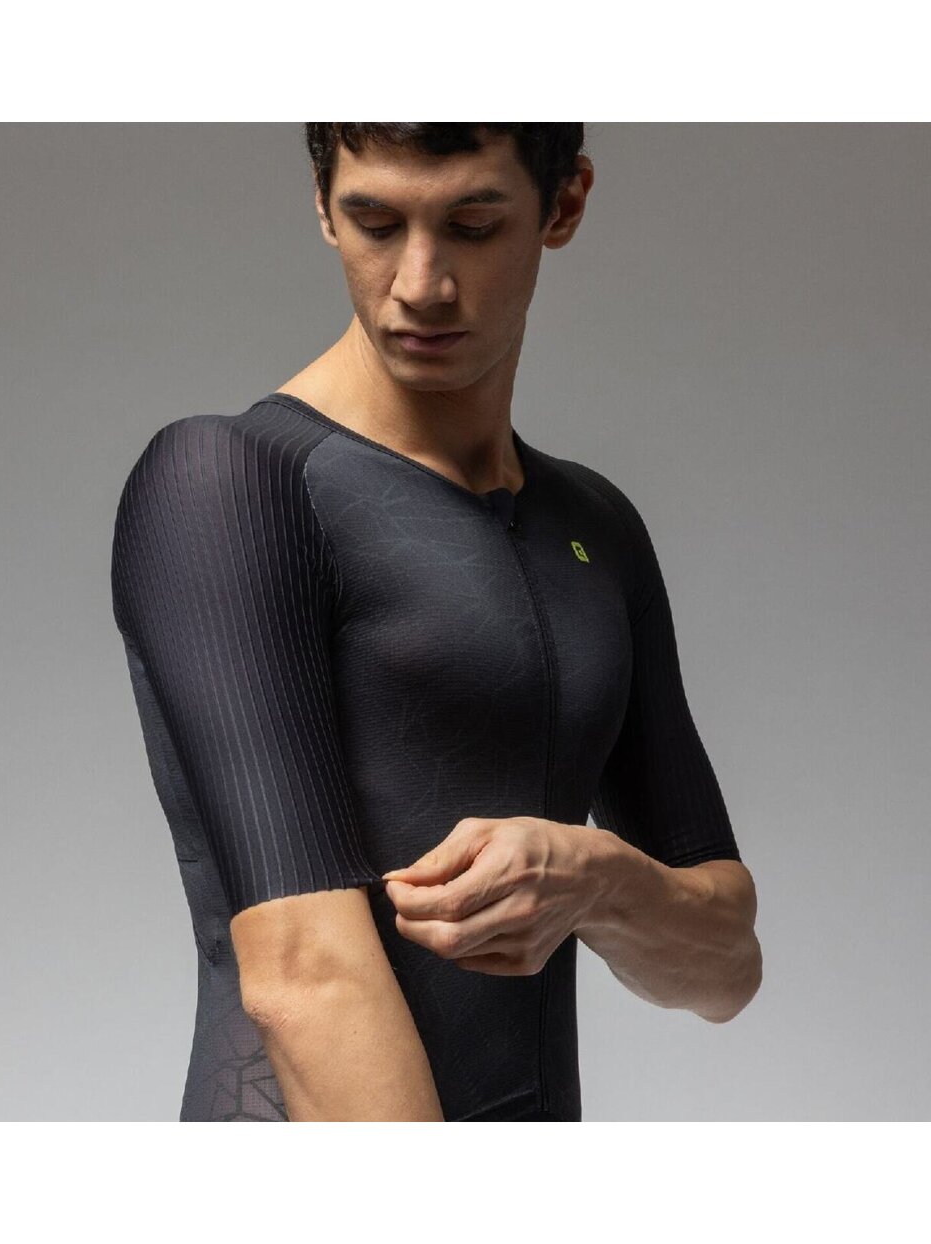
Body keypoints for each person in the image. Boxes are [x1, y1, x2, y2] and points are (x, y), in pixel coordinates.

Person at [110, 122, 762, 1122]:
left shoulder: (595, 526)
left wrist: (597, 879)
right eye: (375, 222)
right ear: (323, 205)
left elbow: (723, 967)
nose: (418, 284)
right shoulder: (233, 486)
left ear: (563, 203)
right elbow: (303, 974)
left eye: (472, 224)